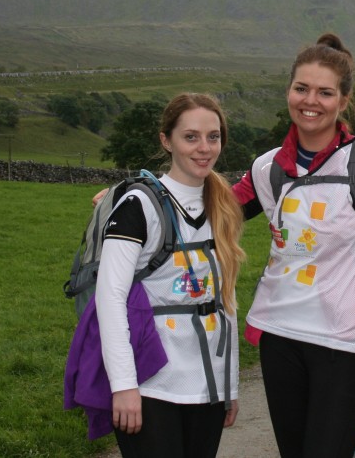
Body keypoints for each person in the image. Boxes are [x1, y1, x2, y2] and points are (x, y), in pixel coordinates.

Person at [232, 33, 355, 458]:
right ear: (289, 91)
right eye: (301, 88)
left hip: (344, 345)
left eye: (325, 92)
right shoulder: (268, 167)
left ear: (343, 101)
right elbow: (211, 210)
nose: (311, 101)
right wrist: (139, 194)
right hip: (280, 337)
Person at [83, 93, 246, 458]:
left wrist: (229, 385)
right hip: (152, 385)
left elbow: (224, 303)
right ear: (165, 140)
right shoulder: (137, 205)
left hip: (208, 386)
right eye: (191, 137)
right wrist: (124, 387)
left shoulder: (222, 206)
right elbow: (109, 299)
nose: (204, 148)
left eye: (213, 137)